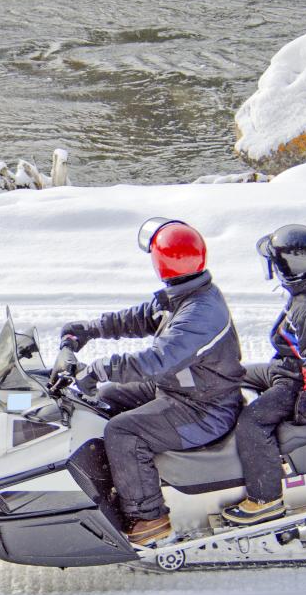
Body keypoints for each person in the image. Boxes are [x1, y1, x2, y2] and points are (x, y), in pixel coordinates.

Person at [52, 217, 245, 546]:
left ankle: (149, 518)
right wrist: (86, 329)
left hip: (205, 408)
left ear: (162, 263)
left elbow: (156, 361)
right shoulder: (184, 294)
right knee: (106, 399)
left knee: (122, 431)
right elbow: (136, 318)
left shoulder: (199, 313)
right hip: (183, 388)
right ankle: (118, 481)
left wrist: (99, 368)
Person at [221, 224, 306, 526]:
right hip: (285, 368)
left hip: (297, 381)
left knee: (251, 422)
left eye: (276, 264)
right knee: (228, 376)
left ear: (289, 270)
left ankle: (266, 498)